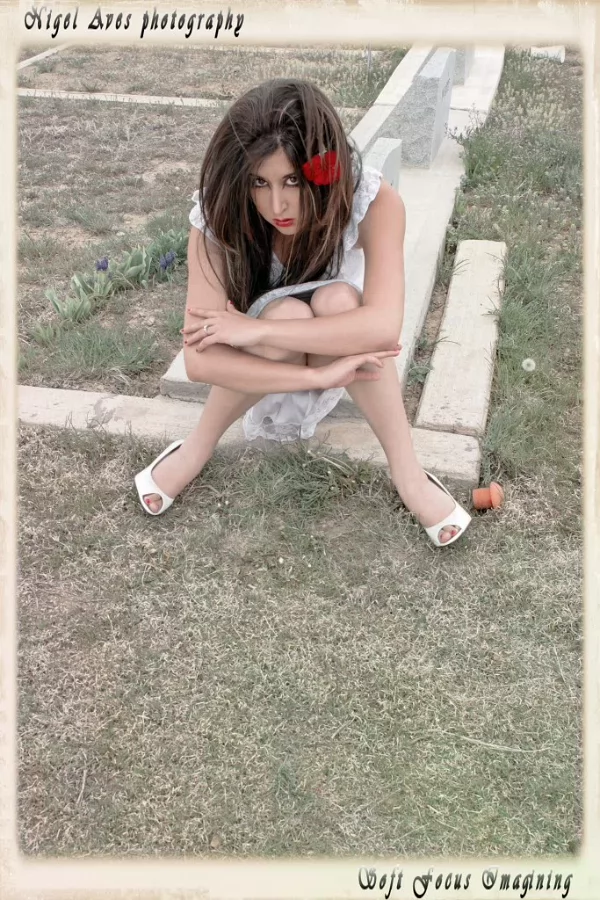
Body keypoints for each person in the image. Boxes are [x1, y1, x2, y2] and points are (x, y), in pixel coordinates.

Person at [134, 78, 471, 547]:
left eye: (292, 180)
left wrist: (251, 330)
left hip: (339, 349)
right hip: (265, 369)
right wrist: (312, 374)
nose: (277, 205)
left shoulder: (372, 201)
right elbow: (200, 361)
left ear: (322, 171)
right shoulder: (217, 216)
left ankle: (408, 472)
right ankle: (196, 447)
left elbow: (382, 328)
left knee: (339, 301)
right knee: (288, 316)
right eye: (260, 182)